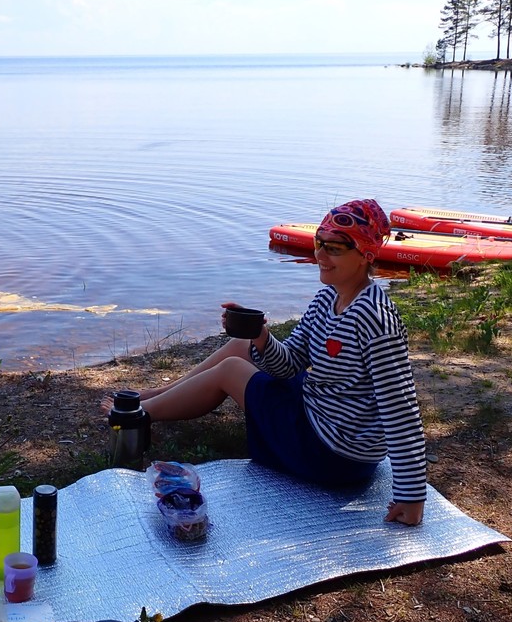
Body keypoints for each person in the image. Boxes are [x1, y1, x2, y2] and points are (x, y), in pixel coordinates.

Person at [117, 198, 427, 526]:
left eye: (334, 247)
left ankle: (136, 418)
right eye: (318, 242)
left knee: (231, 370)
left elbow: (401, 408)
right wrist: (261, 337)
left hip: (333, 454)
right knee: (241, 345)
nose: (320, 255)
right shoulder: (328, 299)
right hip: (322, 421)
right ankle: (153, 395)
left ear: (366, 254)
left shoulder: (374, 318)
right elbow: (290, 364)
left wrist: (412, 497)